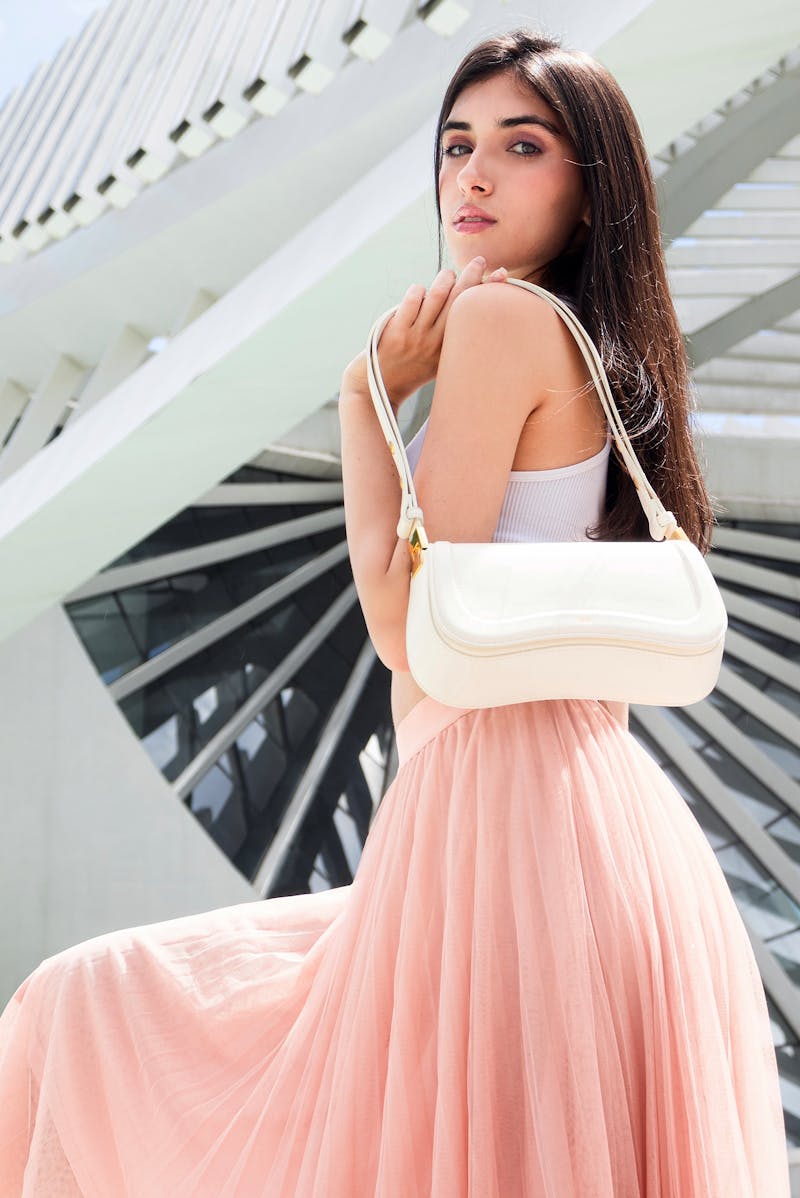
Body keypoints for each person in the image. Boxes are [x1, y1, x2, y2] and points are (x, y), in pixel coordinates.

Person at [0, 25, 790, 1198]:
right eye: (455, 144)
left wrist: (362, 405)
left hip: (504, 826)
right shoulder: (599, 346)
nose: (470, 174)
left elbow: (402, 625)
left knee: (84, 1009)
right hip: (589, 831)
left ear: (588, 193)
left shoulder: (502, 321)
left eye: (521, 146)